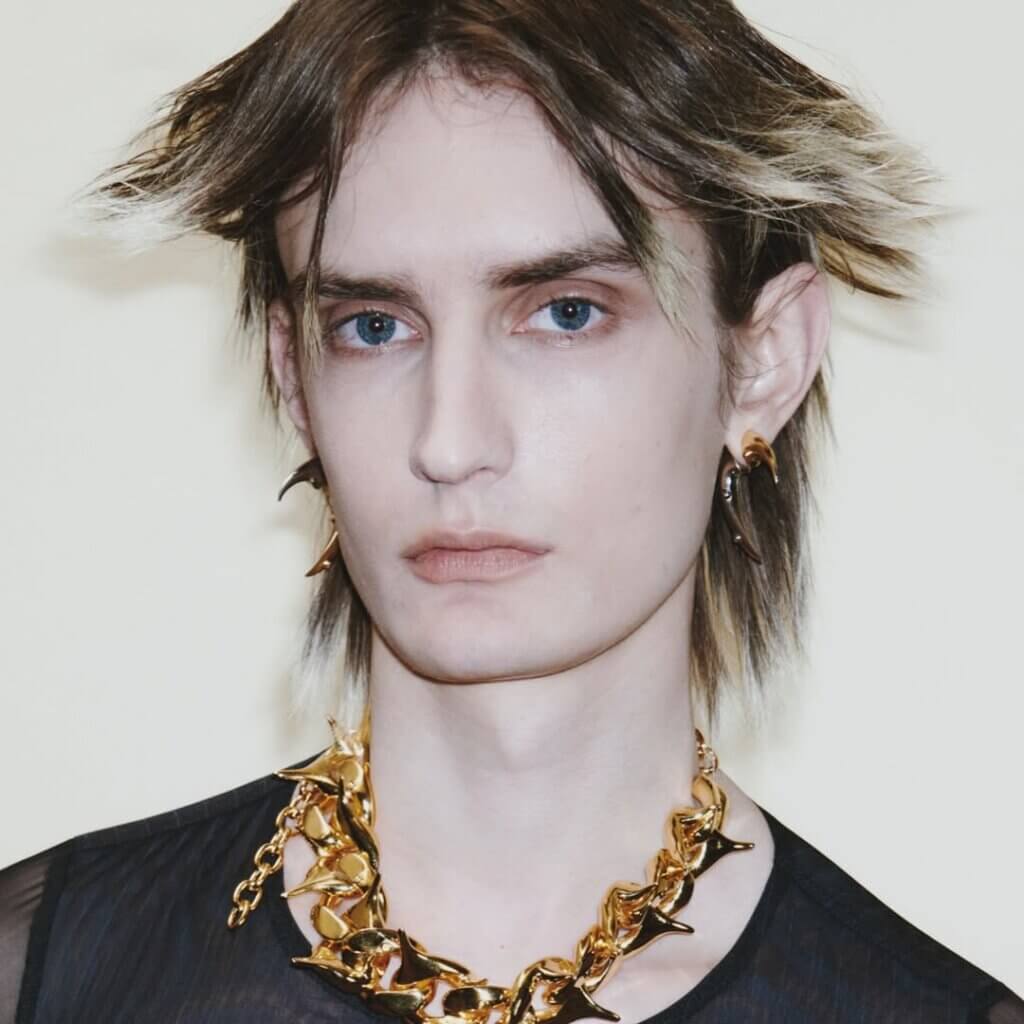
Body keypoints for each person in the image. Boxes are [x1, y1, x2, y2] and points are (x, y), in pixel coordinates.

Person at [1, 1, 1020, 1022]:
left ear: (763, 361)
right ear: (294, 380)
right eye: (372, 326)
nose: (449, 443)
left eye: (566, 314)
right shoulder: (49, 975)